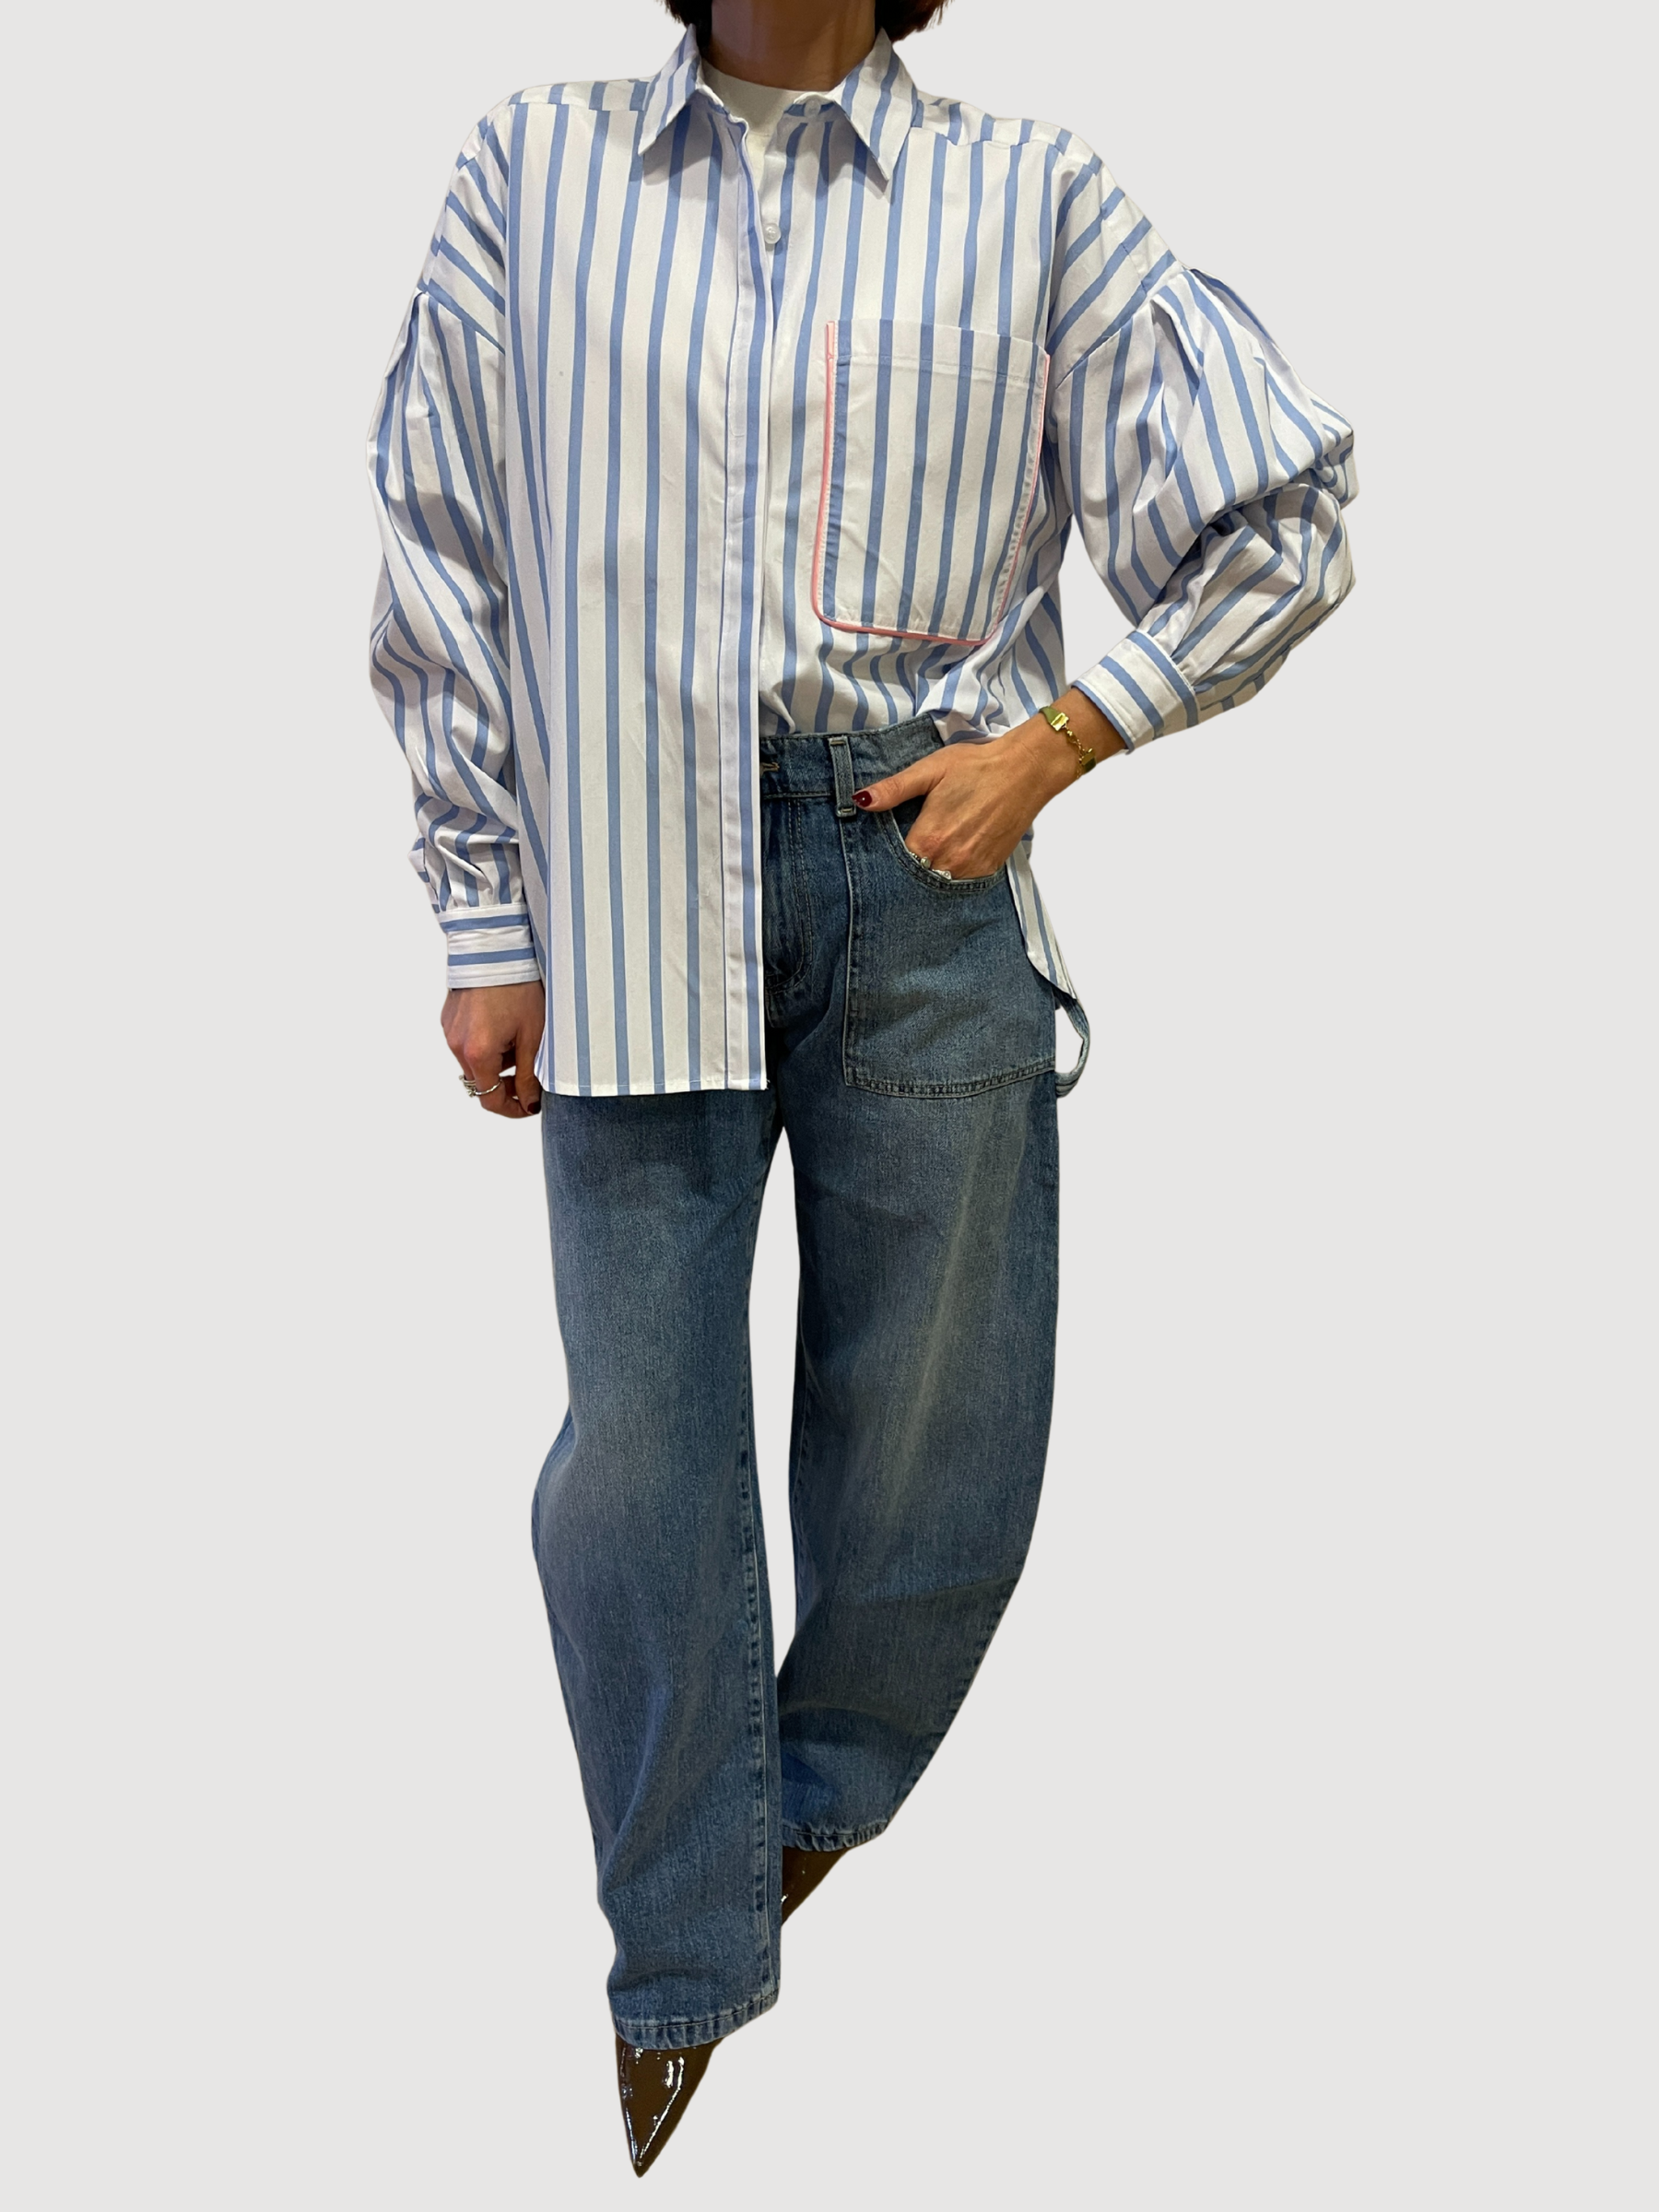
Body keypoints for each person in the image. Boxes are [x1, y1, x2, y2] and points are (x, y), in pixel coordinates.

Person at [368, 0, 1356, 2173]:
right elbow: (441, 540)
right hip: (629, 870)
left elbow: (1280, 515)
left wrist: (1060, 741)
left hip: (920, 862)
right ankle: (680, 1951)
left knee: (938, 1425)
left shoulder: (1036, 195)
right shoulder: (531, 170)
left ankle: (799, 1811)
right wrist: (482, 909)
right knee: (637, 1446)